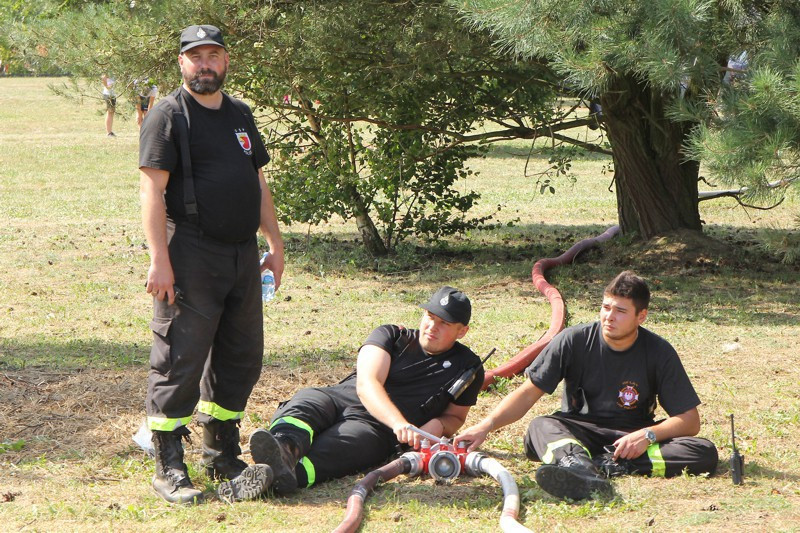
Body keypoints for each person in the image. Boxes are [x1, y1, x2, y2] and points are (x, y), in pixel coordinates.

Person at [138, 24, 285, 505]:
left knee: (241, 356)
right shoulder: (167, 116)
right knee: (179, 358)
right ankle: (168, 464)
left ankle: (220, 450)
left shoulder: (240, 114)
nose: (205, 64)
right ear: (181, 63)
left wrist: (275, 245)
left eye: (213, 55)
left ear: (225, 61)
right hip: (191, 253)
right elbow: (152, 191)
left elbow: (258, 183)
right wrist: (160, 261)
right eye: (195, 56)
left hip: (243, 254)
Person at [455, 271, 718, 501]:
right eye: (605, 307)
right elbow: (527, 394)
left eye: (620, 311)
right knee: (540, 427)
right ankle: (577, 466)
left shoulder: (659, 352)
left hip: (631, 439)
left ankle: (608, 466)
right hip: (576, 432)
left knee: (703, 452)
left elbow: (689, 421)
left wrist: (646, 436)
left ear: (642, 316)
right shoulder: (573, 340)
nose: (609, 317)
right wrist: (486, 425)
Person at [219, 286, 485, 502]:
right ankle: (284, 447)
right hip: (339, 399)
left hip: (375, 430)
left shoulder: (468, 368)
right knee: (306, 403)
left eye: (444, 323)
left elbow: (455, 417)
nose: (432, 327)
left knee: (335, 453)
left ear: (462, 331)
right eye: (429, 316)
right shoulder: (392, 335)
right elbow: (367, 383)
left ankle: (281, 477)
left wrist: (436, 425)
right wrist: (400, 423)